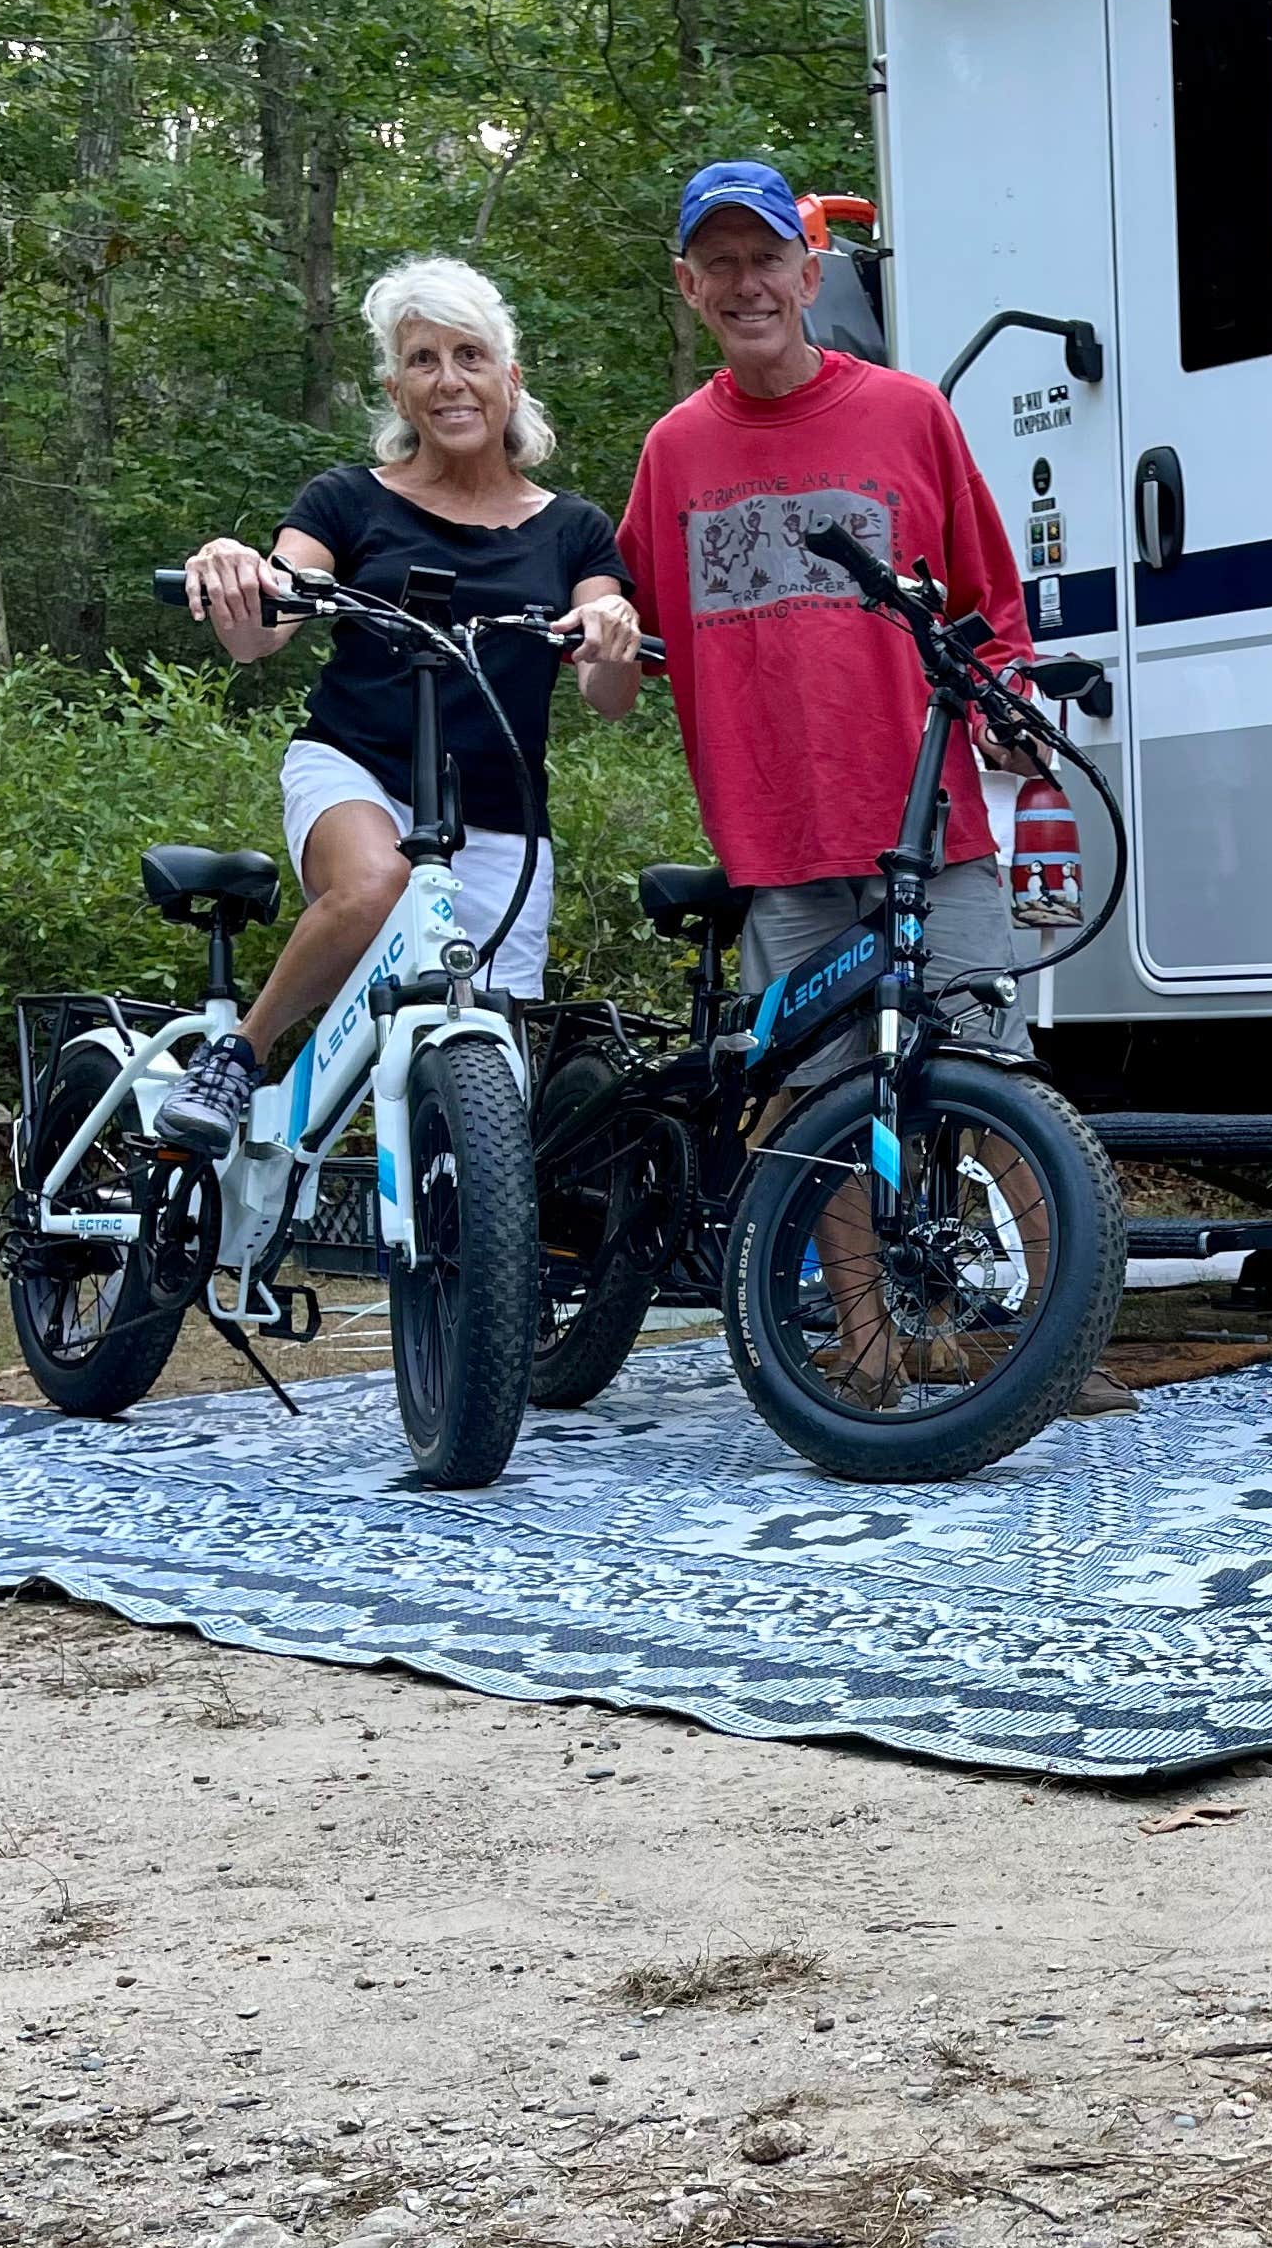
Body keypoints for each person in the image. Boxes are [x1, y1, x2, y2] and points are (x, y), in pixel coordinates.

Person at [618, 159, 1105, 1402]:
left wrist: (1007, 713)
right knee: (824, 1102)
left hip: (928, 818)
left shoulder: (905, 413)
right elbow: (626, 610)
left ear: (809, 270)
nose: (745, 283)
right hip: (776, 833)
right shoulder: (673, 453)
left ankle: (1061, 1346)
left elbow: (991, 603)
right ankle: (872, 1344)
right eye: (717, 264)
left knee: (995, 1079)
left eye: (764, 258)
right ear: (689, 287)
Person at [159, 256, 642, 1157]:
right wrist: (236, 568)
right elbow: (266, 623)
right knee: (378, 884)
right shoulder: (346, 500)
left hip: (500, 810)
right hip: (358, 766)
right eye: (424, 360)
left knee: (489, 1057)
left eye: (470, 355)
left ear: (511, 376)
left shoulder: (574, 526)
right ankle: (238, 1056)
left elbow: (606, 694)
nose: (450, 381)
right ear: (396, 386)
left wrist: (612, 627)